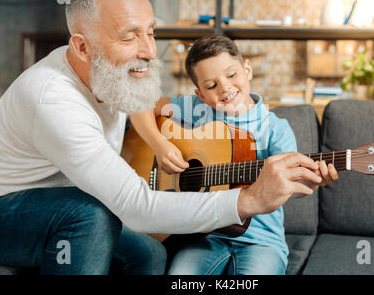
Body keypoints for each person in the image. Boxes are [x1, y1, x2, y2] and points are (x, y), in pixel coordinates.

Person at [0, 0, 324, 275]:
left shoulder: (107, 72)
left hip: (72, 198)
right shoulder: (52, 99)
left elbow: (141, 103)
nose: (150, 51)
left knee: (150, 254)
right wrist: (248, 201)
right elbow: (137, 207)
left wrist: (158, 143)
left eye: (151, 32)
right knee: (90, 214)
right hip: (4, 213)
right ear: (81, 46)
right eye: (129, 37)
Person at [129, 35, 339, 275]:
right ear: (200, 95)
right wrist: (159, 145)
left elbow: (291, 181)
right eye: (211, 85)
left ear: (247, 69)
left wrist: (309, 179)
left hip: (261, 241)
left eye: (231, 75)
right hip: (204, 236)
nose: (225, 87)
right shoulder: (198, 111)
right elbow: (140, 104)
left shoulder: (275, 129)